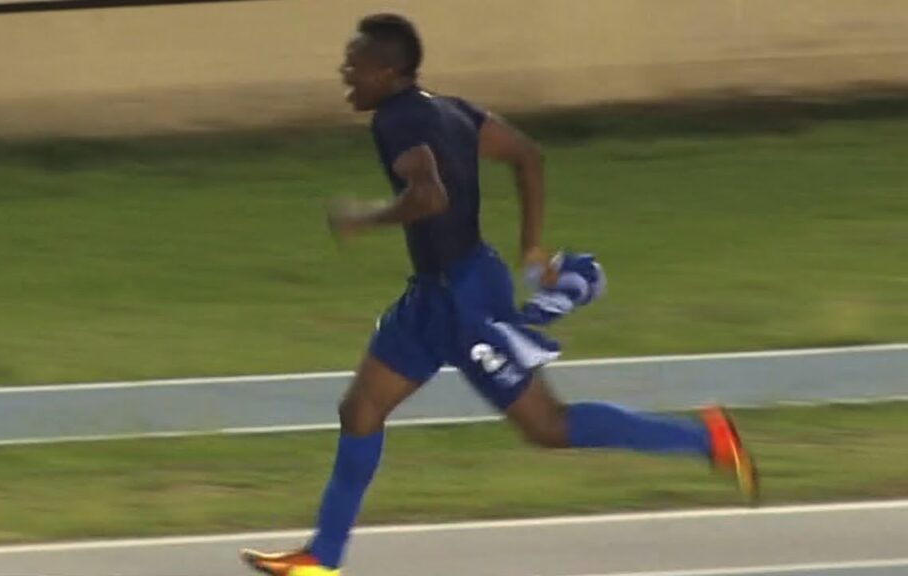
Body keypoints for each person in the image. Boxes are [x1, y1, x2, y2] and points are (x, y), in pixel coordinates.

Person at [241, 13, 758, 576]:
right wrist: (532, 249)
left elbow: (430, 197)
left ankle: (705, 438)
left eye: (354, 62)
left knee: (548, 427)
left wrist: (366, 217)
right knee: (360, 409)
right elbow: (528, 155)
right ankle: (321, 558)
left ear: (387, 71)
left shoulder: (395, 120)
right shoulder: (453, 110)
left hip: (467, 304)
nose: (345, 70)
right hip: (433, 296)